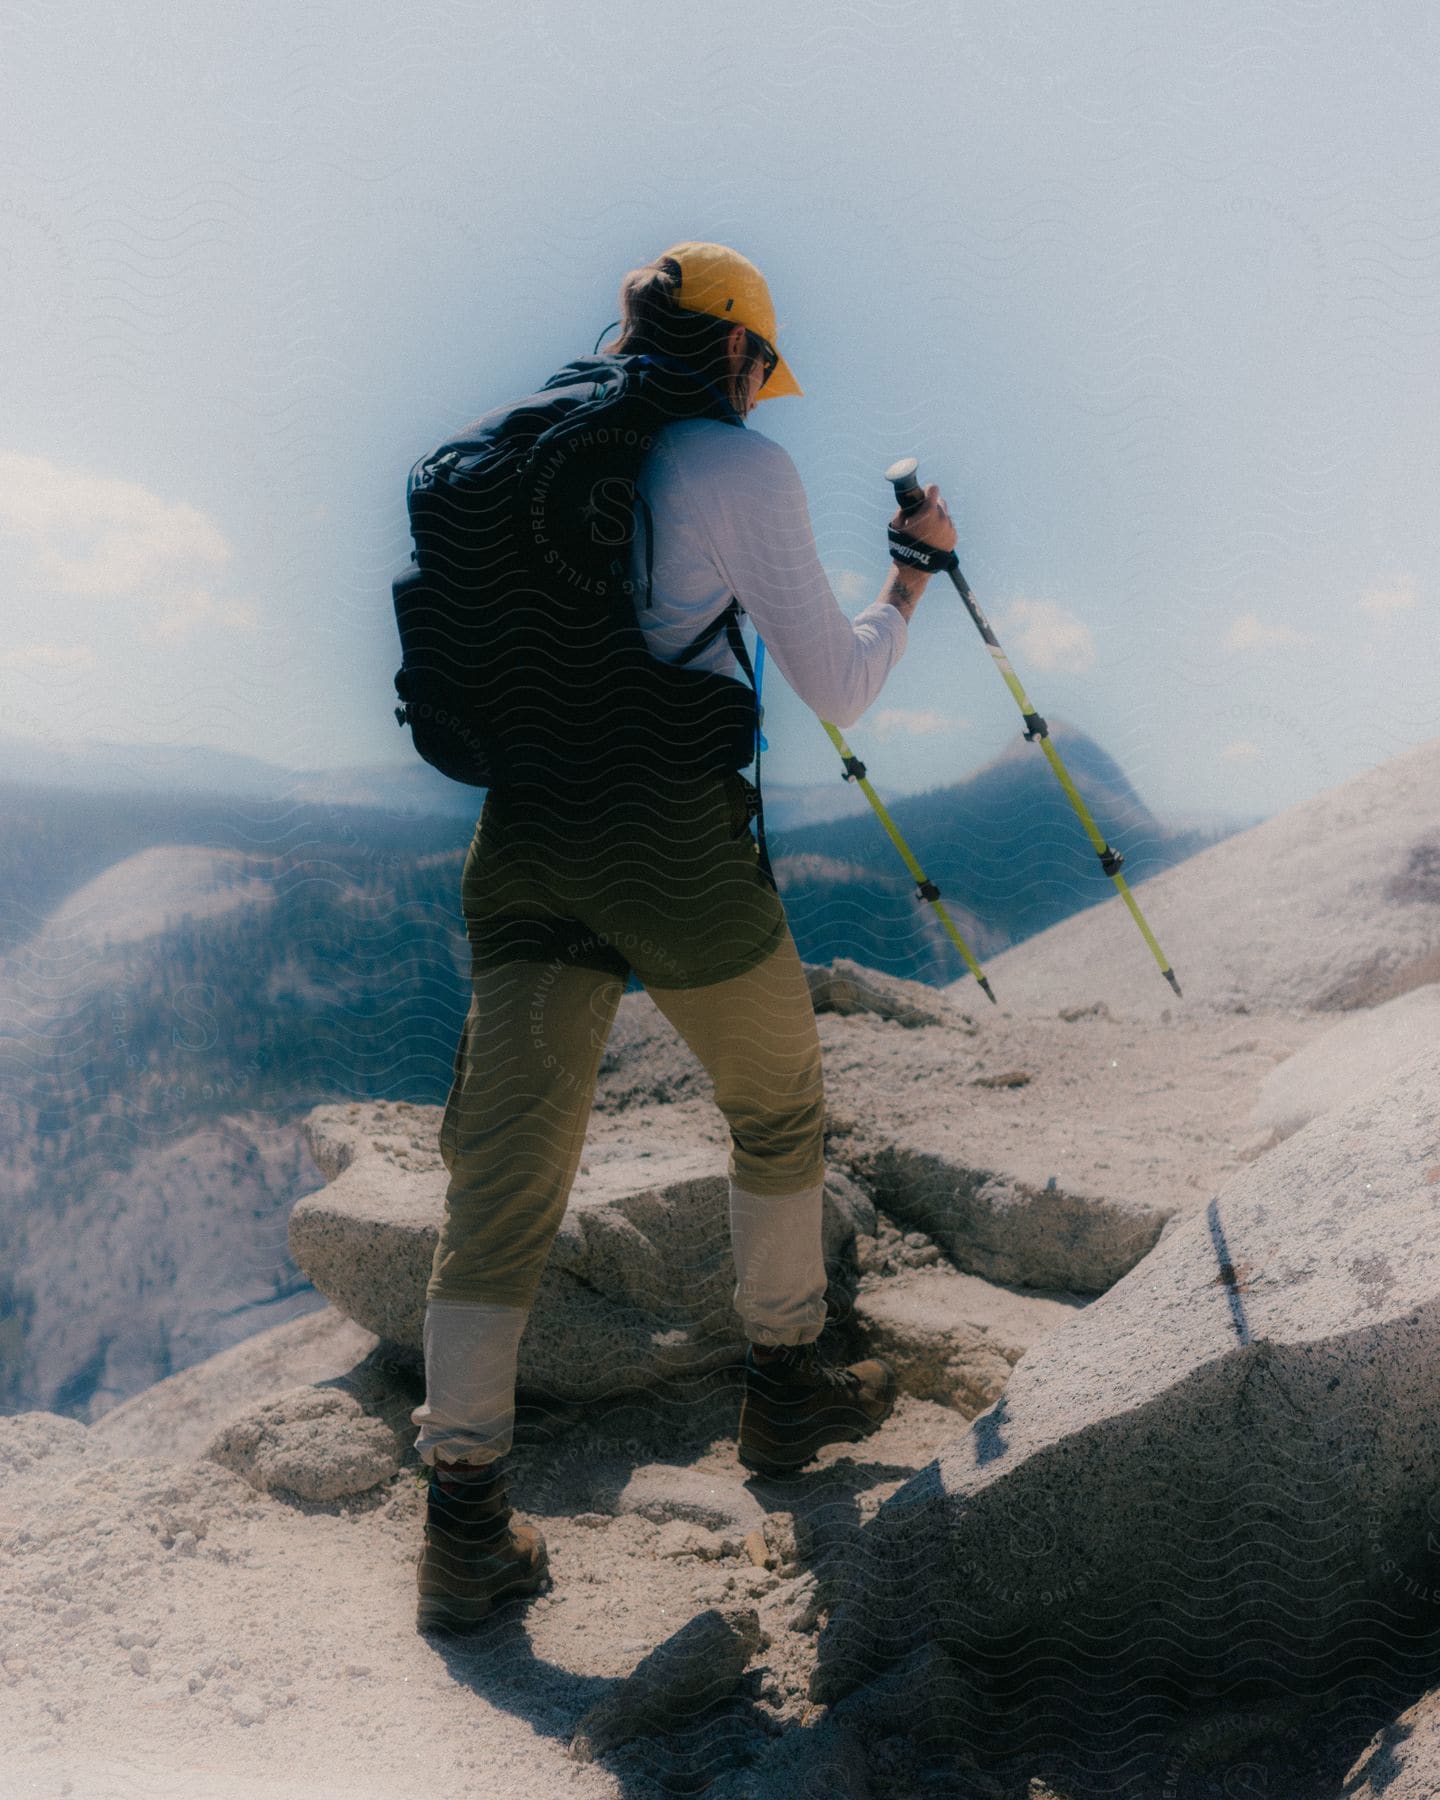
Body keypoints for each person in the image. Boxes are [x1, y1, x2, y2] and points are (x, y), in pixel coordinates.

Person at [410, 242, 958, 1633]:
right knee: (776, 1108)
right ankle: (782, 1398)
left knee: (503, 1175)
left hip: (526, 832)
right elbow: (832, 688)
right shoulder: (734, 467)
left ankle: (463, 1519)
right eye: (761, 369)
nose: (766, 397)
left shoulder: (532, 449)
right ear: (731, 354)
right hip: (668, 837)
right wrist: (908, 586)